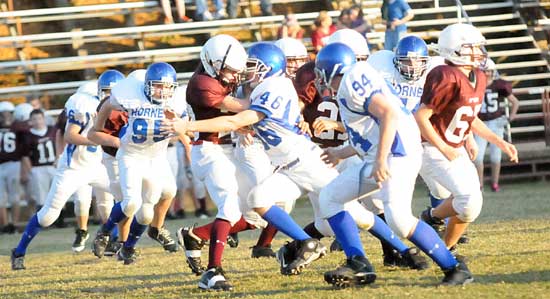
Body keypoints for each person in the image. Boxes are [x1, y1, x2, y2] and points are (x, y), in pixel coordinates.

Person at [166, 42, 328, 285]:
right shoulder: (204, 85)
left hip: (230, 147)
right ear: (212, 64)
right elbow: (243, 109)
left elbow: (244, 117)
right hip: (210, 149)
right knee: (232, 209)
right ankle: (213, 271)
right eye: (230, 70)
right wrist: (277, 87)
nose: (235, 76)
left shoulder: (223, 74)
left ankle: (195, 236)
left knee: (257, 214)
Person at [315, 42, 473, 288]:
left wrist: (380, 159)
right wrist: (341, 153)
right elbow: (369, 133)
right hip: (384, 154)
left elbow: (388, 114)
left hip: (396, 155)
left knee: (399, 219)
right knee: (330, 197)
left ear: (330, 68)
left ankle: (453, 267)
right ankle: (358, 263)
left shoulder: (351, 81)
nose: (317, 77)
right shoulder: (355, 78)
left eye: (319, 70)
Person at [415, 23, 518, 259]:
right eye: (473, 47)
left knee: (472, 205)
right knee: (468, 199)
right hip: (430, 147)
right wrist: (442, 147)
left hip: (454, 146)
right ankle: (443, 251)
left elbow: (468, 117)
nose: (479, 52)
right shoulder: (444, 75)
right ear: (455, 50)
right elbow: (421, 117)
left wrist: (499, 142)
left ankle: (440, 239)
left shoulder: (479, 76)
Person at [10, 81, 113, 270]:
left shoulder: (114, 109)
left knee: (127, 197)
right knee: (49, 215)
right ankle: (19, 251)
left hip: (96, 166)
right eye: (106, 93)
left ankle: (116, 241)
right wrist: (99, 140)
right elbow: (68, 135)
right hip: (72, 168)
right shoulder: (82, 107)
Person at [90, 63, 185, 265]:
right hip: (131, 155)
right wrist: (98, 127)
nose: (163, 91)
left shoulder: (175, 103)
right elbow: (107, 105)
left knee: (146, 213)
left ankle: (128, 249)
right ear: (147, 85)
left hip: (156, 159)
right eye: (158, 86)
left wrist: (178, 126)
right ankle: (104, 232)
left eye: (167, 87)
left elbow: (187, 129)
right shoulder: (129, 95)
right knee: (131, 202)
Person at [474, 58, 519, 192]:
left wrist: (511, 117)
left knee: (495, 156)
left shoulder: (499, 85)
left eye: (489, 71)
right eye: (485, 71)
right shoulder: (474, 84)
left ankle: (495, 183)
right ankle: (479, 185)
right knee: (478, 157)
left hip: (496, 122)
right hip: (480, 123)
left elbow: (515, 102)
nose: (488, 74)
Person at [0, 101, 26, 234]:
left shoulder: (18, 128)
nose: (5, 117)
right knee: (1, 199)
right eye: (2, 115)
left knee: (15, 197)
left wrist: (24, 169)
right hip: (1, 166)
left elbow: (24, 150)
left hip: (14, 164)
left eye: (8, 114)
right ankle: (5, 226)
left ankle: (14, 224)